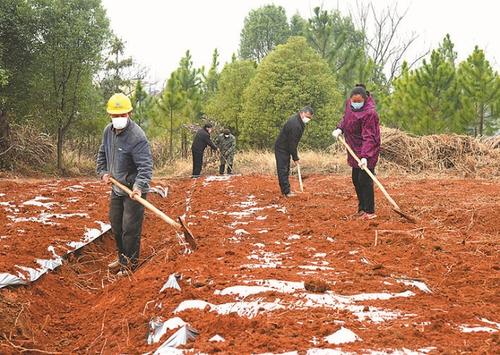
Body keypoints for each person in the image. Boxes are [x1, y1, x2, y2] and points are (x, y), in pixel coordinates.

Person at [96, 93, 153, 277]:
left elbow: (145, 166)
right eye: (115, 115)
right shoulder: (108, 132)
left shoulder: (137, 136)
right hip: (116, 188)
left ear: (129, 113)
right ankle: (122, 258)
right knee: (116, 224)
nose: (118, 119)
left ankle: (130, 265)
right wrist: (103, 172)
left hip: (133, 190)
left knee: (130, 228)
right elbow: (102, 154)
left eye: (122, 115)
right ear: (110, 115)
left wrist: (139, 186)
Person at [332, 84, 381, 220]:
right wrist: (340, 128)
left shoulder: (370, 113)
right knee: (356, 179)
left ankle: (369, 211)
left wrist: (365, 157)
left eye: (359, 102)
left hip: (368, 148)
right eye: (354, 101)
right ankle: (361, 208)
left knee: (364, 179)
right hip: (353, 147)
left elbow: (369, 137)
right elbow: (346, 118)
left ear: (365, 100)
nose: (356, 104)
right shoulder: (349, 105)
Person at [274, 106, 314, 197]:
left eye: (310, 118)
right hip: (282, 148)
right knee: (283, 169)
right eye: (307, 116)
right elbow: (292, 143)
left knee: (286, 168)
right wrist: (295, 157)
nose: (308, 119)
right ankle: (286, 192)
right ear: (302, 113)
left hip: (287, 147)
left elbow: (294, 142)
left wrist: (294, 154)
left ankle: (286, 190)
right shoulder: (295, 124)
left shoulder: (299, 121)